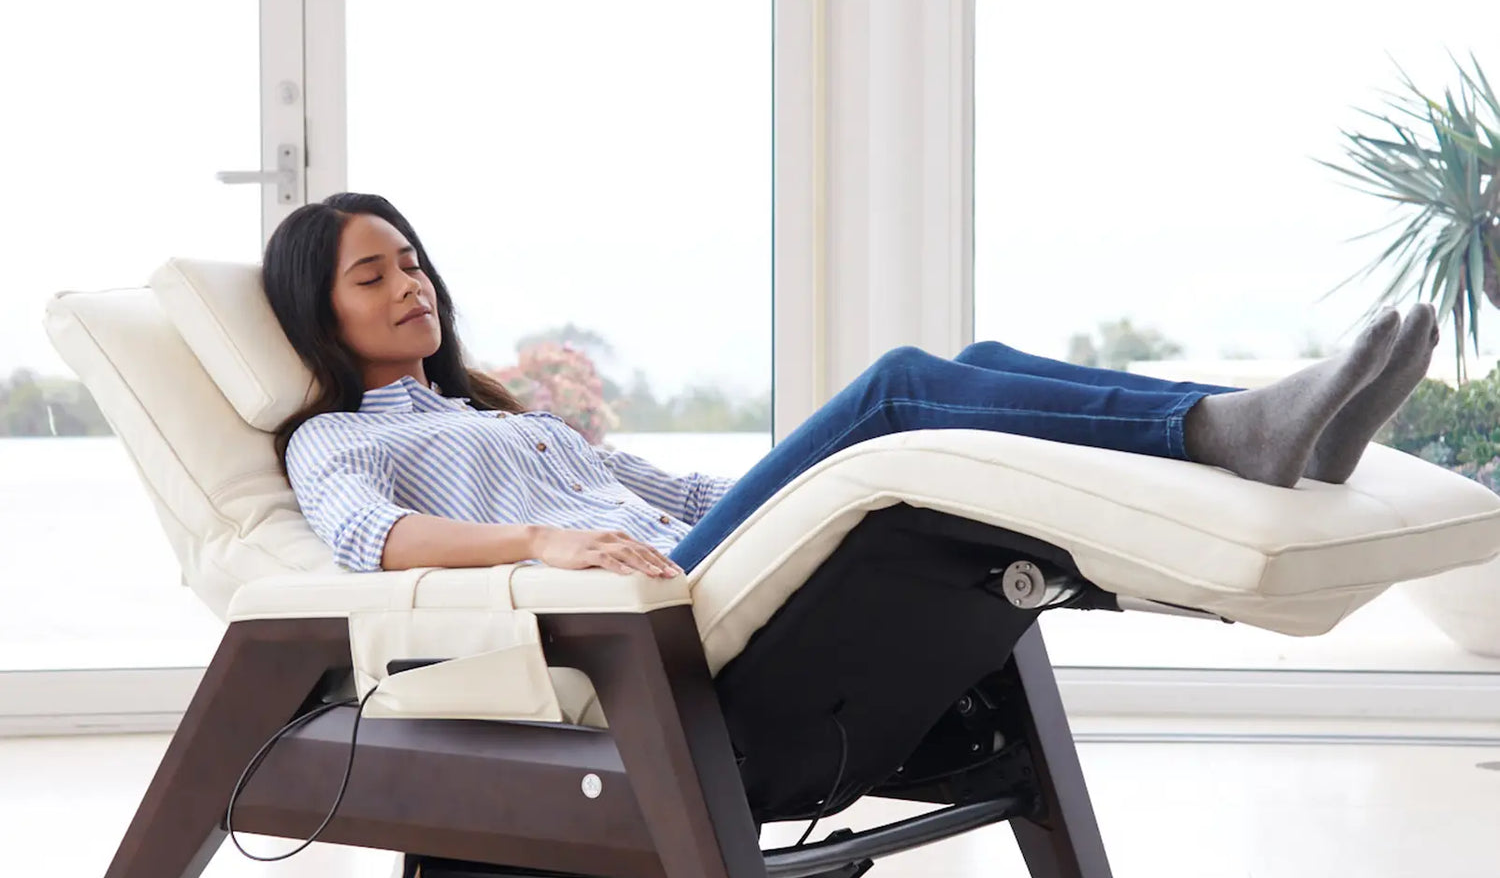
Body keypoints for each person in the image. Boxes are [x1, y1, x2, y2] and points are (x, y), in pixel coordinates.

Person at [262, 193, 1438, 580]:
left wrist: (801, 488)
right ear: (326, 312)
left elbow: (664, 476)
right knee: (895, 389)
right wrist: (541, 546)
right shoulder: (332, 442)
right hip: (666, 585)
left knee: (963, 370)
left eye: (412, 260)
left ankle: (1257, 424)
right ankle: (1230, 428)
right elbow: (369, 540)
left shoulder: (491, 415)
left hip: (705, 536)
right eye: (375, 275)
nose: (410, 283)